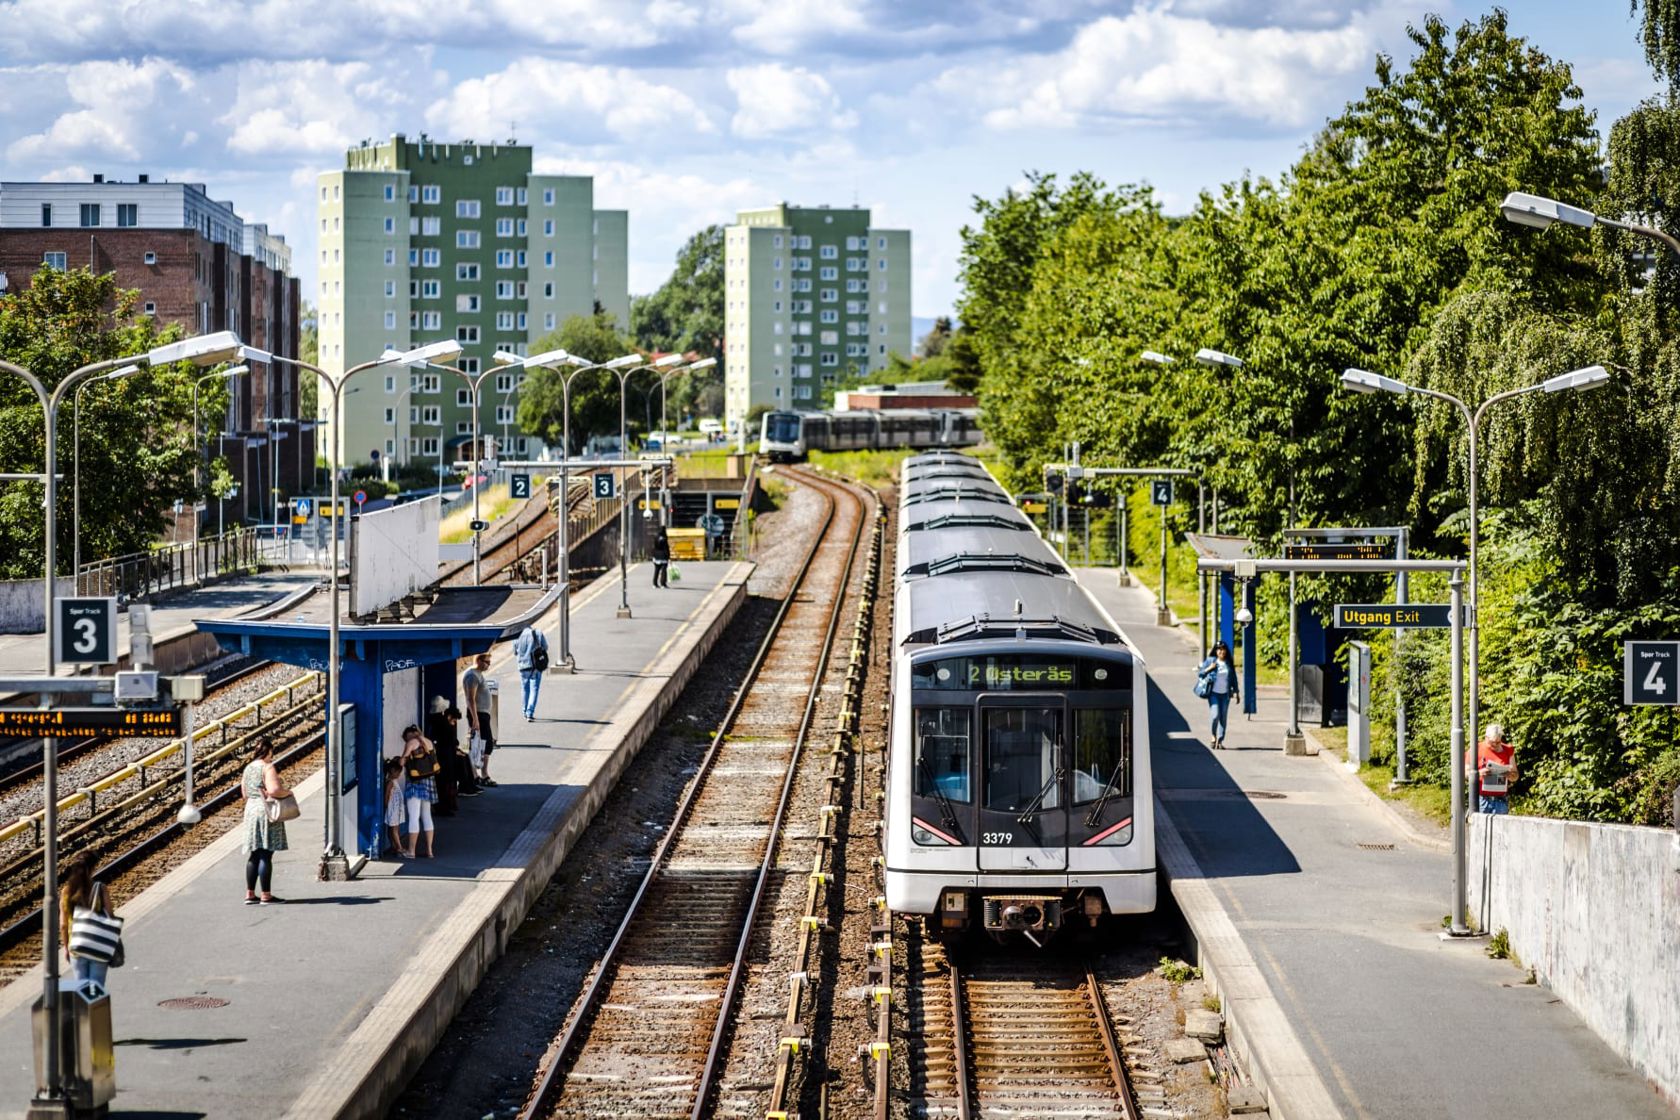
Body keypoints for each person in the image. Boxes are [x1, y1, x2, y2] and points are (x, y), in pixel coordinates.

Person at [241, 736, 291, 904]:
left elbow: (244, 793)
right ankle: (266, 895)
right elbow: (274, 790)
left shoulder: (248, 768)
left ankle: (250, 894)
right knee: (266, 853)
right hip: (265, 812)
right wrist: (288, 793)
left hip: (251, 810)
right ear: (269, 751)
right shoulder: (267, 767)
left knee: (254, 853)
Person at [60, 854, 113, 991]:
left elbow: (63, 925)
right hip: (98, 945)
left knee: (82, 990)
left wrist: (66, 947)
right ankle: (95, 1011)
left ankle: (84, 1012)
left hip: (76, 945)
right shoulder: (100, 889)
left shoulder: (66, 892)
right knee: (96, 990)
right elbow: (110, 917)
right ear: (91, 869)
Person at [401, 724, 440, 858]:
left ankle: (411, 851)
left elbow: (402, 761)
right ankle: (429, 850)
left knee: (414, 817)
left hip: (415, 783)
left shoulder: (412, 742)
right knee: (427, 816)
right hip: (429, 782)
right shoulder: (428, 742)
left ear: (409, 735)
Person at [427, 695, 470, 806]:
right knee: (447, 779)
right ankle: (448, 804)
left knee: (442, 781)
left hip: (440, 753)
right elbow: (452, 740)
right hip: (446, 755)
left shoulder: (433, 721)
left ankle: (444, 804)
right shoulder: (443, 724)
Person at [462, 653, 497, 787]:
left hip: (483, 714)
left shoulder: (478, 674)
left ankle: (482, 773)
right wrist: (475, 719)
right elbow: (470, 698)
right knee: (480, 744)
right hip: (479, 715)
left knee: (484, 744)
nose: (489, 665)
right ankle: (479, 774)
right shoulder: (472, 676)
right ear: (479, 660)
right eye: (487, 662)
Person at [1196, 641, 1240, 749]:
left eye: (1223, 649)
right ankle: (1213, 735)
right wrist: (1209, 668)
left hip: (1225, 695)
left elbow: (1233, 678)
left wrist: (1236, 692)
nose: (1221, 651)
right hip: (1213, 694)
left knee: (1223, 718)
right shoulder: (1211, 661)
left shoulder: (1228, 662)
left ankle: (1220, 740)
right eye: (1219, 649)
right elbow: (1200, 674)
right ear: (1216, 651)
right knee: (1215, 715)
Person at [1467, 722, 1517, 814]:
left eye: (1498, 742)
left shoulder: (1508, 750)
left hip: (1501, 800)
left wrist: (1510, 775)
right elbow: (1465, 773)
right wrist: (1478, 773)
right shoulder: (1475, 749)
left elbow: (1515, 776)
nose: (1495, 745)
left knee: (1500, 828)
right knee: (1481, 828)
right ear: (1486, 738)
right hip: (1481, 799)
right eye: (1492, 742)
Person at [514, 625, 549, 721]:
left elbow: (515, 652)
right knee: (534, 689)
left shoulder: (516, 634)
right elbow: (545, 647)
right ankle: (530, 713)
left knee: (524, 689)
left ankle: (524, 711)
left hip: (522, 666)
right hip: (535, 666)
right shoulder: (537, 633)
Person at [383, 757, 407, 857]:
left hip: (395, 809)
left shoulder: (394, 781)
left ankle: (394, 846)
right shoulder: (390, 782)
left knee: (392, 828)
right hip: (392, 809)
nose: (399, 774)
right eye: (398, 772)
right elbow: (387, 795)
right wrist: (386, 804)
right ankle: (399, 847)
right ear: (392, 771)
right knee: (394, 829)